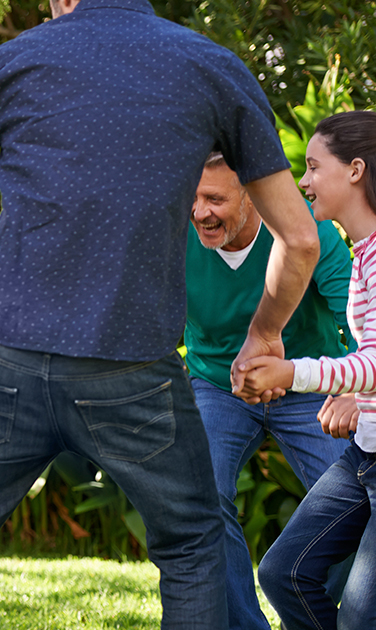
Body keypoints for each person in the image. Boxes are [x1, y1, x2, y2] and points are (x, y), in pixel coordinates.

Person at [0, 0, 323, 627]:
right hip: (130, 371)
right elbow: (302, 239)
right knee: (191, 546)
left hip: (3, 361)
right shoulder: (211, 66)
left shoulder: (16, 59)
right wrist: (264, 334)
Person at [186, 152, 356, 630]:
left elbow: (359, 319)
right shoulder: (170, 237)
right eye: (192, 198)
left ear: (252, 193)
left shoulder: (307, 232)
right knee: (199, 490)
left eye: (214, 199)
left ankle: (309, 617)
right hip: (218, 385)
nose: (199, 212)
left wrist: (356, 391)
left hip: (310, 383)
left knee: (359, 502)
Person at [235, 110, 376, 630]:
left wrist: (289, 373)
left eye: (314, 167)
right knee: (284, 573)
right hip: (364, 454)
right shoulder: (362, 255)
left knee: (359, 617)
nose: (303, 181)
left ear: (355, 170)